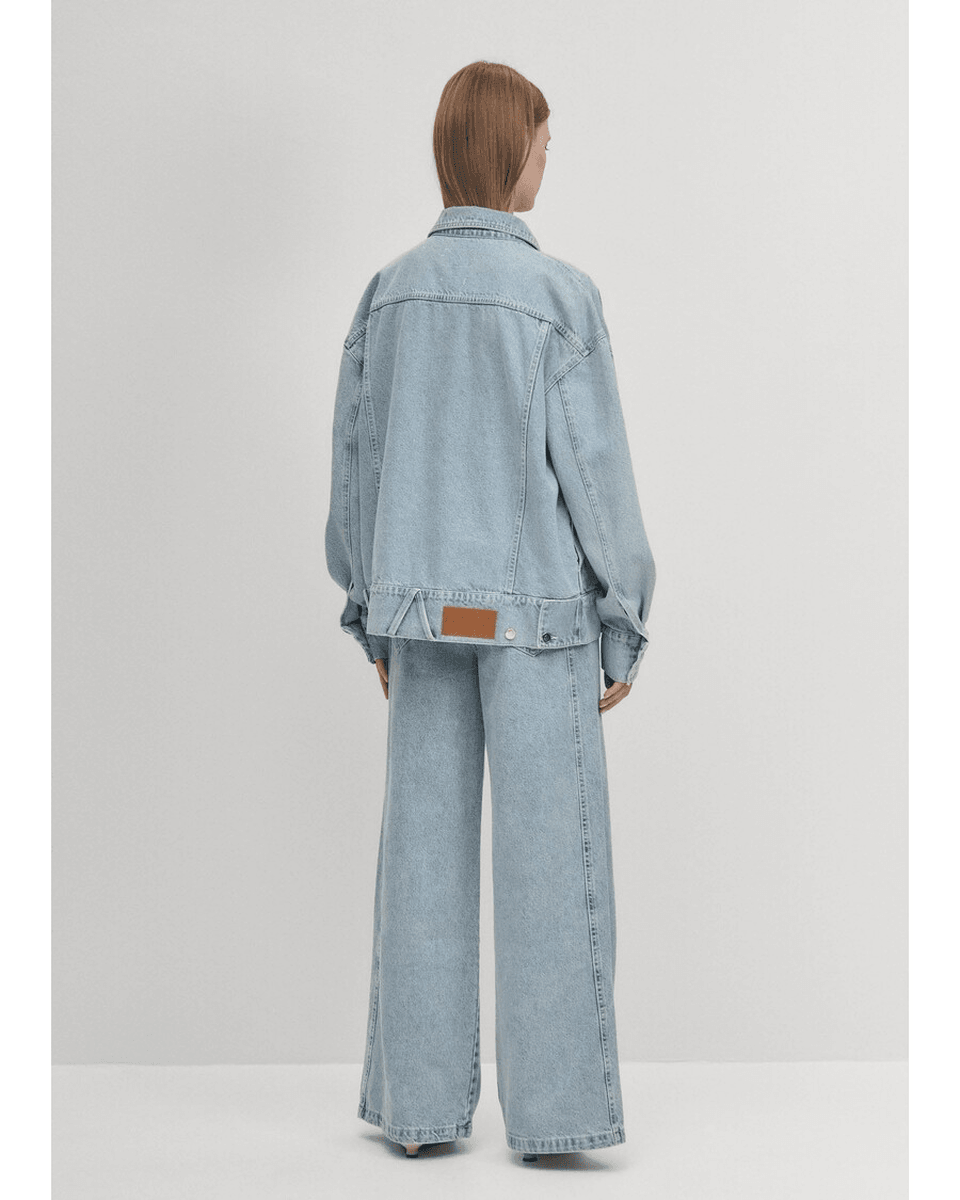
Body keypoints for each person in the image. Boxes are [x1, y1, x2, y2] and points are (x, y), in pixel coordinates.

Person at [325, 60, 656, 1163]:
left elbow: (357, 465)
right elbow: (596, 478)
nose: (548, 163)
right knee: (554, 867)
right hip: (543, 625)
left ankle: (417, 1114)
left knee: (421, 860)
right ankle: (558, 1123)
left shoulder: (388, 294)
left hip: (426, 621)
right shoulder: (560, 298)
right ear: (512, 151)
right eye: (544, 145)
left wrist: (371, 607)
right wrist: (625, 614)